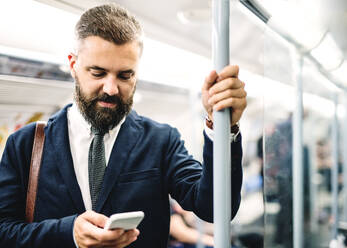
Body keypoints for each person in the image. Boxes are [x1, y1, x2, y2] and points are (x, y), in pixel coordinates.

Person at [0, 3, 247, 248]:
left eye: (124, 75)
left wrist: (221, 125)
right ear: (73, 65)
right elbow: (4, 231)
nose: (111, 89)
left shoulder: (161, 141)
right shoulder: (26, 144)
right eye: (98, 73)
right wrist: (69, 233)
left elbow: (216, 208)